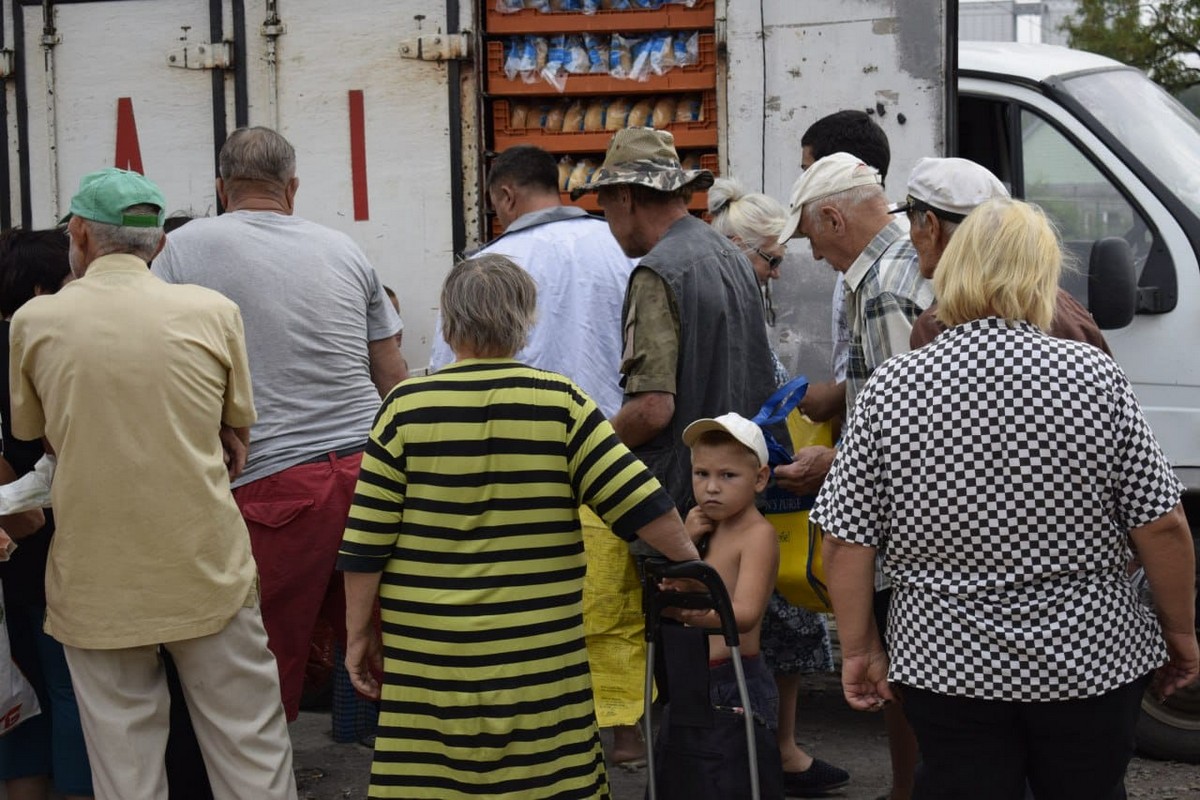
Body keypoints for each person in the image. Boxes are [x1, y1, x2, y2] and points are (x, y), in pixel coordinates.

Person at [812, 196, 1198, 799]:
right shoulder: (1092, 376)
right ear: (1042, 274)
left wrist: (860, 648)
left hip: (944, 662)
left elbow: (845, 537)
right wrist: (1180, 632)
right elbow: (1164, 525)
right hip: (1089, 660)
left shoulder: (894, 385)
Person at [338, 253, 700, 799]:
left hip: (431, 658)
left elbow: (367, 541)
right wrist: (694, 570)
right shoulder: (560, 404)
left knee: (426, 777)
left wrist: (358, 634)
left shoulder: (404, 409)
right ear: (525, 323)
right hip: (539, 661)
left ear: (448, 325)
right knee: (549, 775)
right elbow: (646, 507)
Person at [9, 167, 296, 799]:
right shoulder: (214, 312)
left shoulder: (34, 321)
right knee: (250, 745)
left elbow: (47, 438)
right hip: (206, 566)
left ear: (79, 236)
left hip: (95, 577)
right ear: (158, 243)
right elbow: (235, 439)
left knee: (124, 759)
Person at [152, 127, 407, 722]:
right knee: (391, 651)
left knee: (266, 667)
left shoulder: (182, 248)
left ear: (221, 188)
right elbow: (392, 380)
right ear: (292, 187)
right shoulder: (345, 248)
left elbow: (155, 358)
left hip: (273, 485)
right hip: (369, 474)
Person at [433, 144, 648, 765]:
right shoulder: (624, 248)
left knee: (527, 605)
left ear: (504, 196)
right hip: (615, 452)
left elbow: (451, 369)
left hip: (514, 468)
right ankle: (624, 730)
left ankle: (531, 726)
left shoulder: (490, 263)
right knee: (612, 600)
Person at [777, 151, 933, 800]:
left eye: (812, 237)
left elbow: (918, 423)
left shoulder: (886, 285)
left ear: (835, 218)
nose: (814, 256)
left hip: (910, 521)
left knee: (903, 676)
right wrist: (840, 396)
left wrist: (831, 461)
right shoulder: (900, 268)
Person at [707, 181, 850, 796]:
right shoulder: (728, 304)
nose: (775, 272)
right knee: (762, 626)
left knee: (772, 629)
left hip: (753, 485)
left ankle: (773, 749)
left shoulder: (737, 304)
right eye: (770, 259)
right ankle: (768, 752)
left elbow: (783, 391)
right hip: (751, 493)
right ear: (738, 248)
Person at [576, 128, 777, 533]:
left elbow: (652, 409)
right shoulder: (731, 256)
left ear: (625, 197)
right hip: (739, 501)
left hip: (686, 505)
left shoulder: (657, 272)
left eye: (605, 208)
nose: (608, 223)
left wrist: (587, 452)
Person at [0, 228, 87, 800]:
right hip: (51, 544)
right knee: (72, 692)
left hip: (18, 557)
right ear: (39, 290)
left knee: (36, 690)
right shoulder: (36, 348)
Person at [900, 157, 1112, 354]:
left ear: (931, 227)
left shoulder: (934, 327)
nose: (910, 237)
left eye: (911, 222)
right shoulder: (1072, 315)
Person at [674, 413, 779, 733]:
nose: (712, 488)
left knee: (737, 773)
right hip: (693, 670)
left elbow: (745, 614)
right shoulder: (701, 525)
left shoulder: (757, 535)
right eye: (701, 474)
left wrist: (693, 617)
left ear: (759, 479)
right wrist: (684, 540)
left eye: (728, 475)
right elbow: (677, 585)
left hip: (735, 676)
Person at [797, 110, 892, 425]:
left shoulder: (885, 282)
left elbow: (897, 407)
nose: (815, 256)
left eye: (809, 171)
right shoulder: (863, 262)